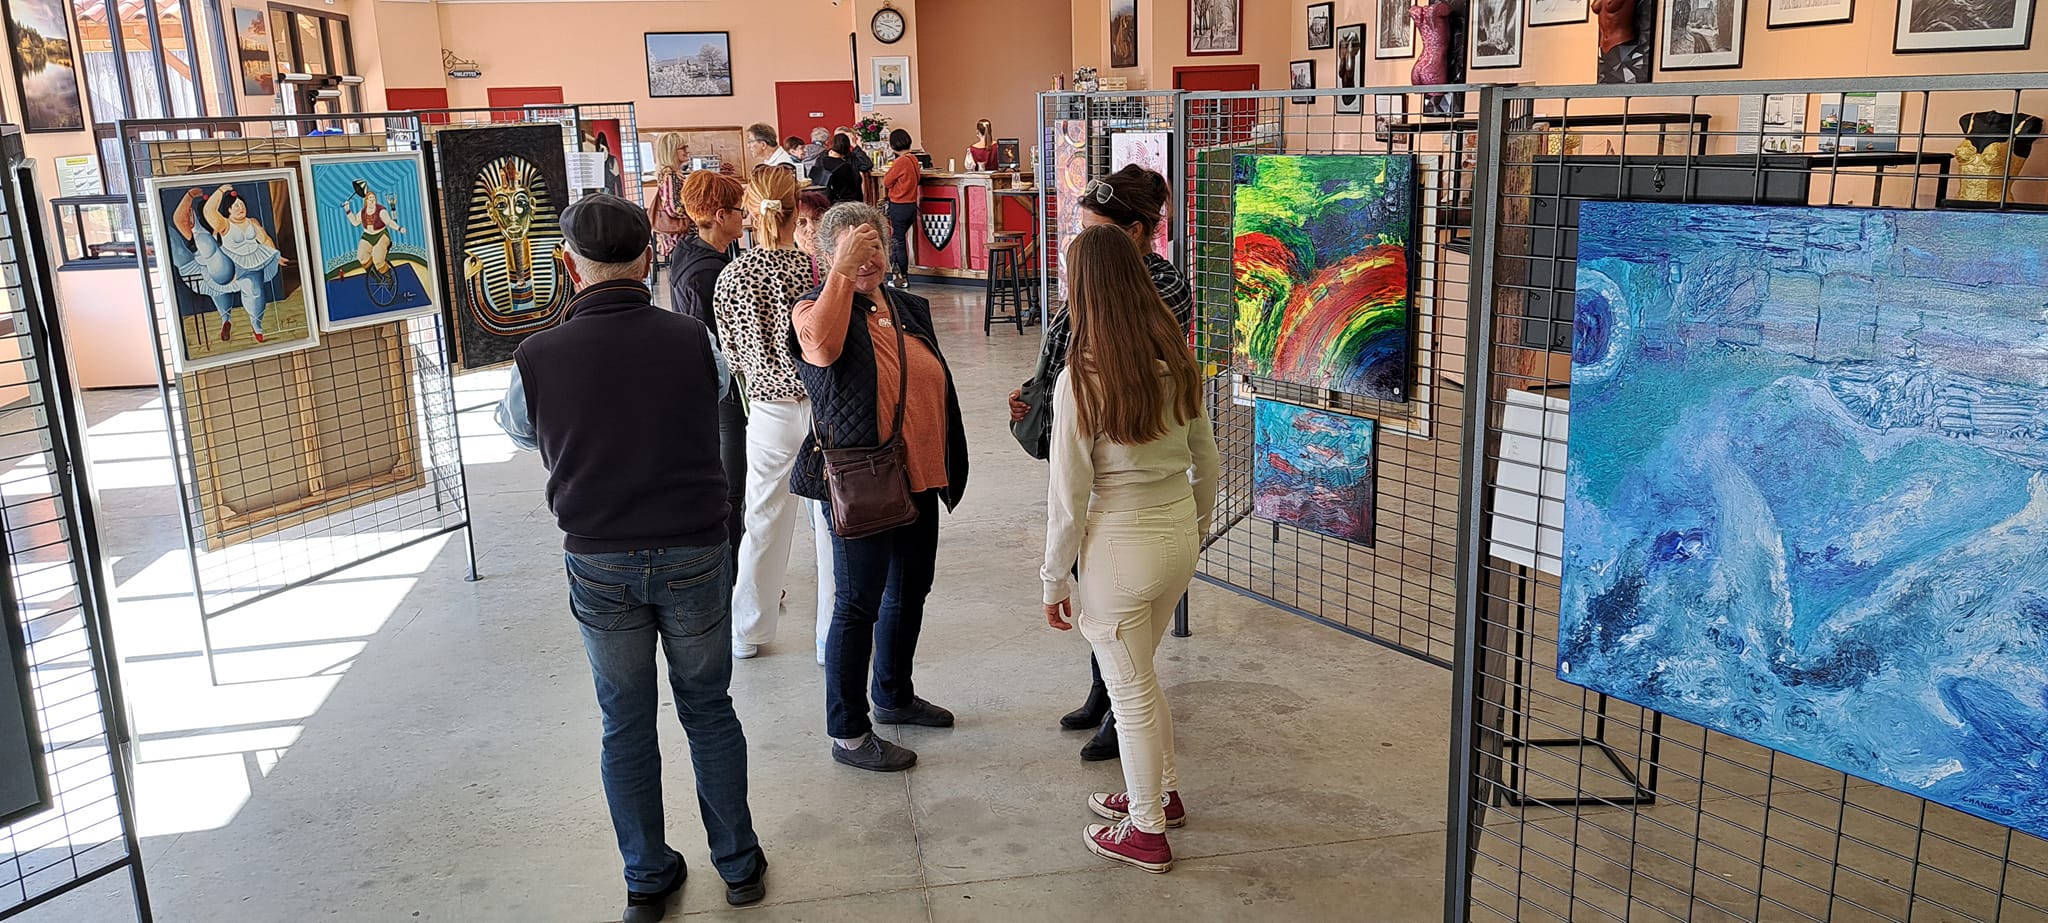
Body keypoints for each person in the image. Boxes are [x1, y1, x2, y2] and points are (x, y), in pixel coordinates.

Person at [493, 193, 769, 920]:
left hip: (600, 555)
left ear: (568, 266)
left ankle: (647, 876)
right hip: (695, 547)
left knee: (624, 720)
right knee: (709, 706)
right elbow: (719, 391)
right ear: (650, 257)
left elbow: (521, 430)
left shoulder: (536, 356)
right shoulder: (692, 338)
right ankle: (739, 863)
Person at [1040, 224, 1217, 874]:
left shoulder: (1080, 381)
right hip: (1176, 536)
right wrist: (1195, 528)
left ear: (1084, 291)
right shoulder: (1177, 363)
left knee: (1131, 691)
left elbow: (1068, 497)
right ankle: (1160, 795)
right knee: (1142, 676)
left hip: (1119, 545)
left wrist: (1053, 578)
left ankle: (1146, 831)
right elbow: (1208, 461)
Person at [1008, 165, 1192, 762]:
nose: (1082, 242)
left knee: (1117, 597)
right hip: (1084, 442)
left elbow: (1121, 372)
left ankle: (1121, 708)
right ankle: (1102, 689)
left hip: (1128, 467)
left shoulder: (1158, 289)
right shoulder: (1098, 279)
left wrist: (1071, 393)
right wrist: (1039, 394)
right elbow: (1066, 354)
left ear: (1134, 231)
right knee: (1096, 581)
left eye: (1094, 231)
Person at [790, 203, 969, 772]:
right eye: (849, 249)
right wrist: (841, 274)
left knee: (910, 590)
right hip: (861, 482)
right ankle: (847, 733)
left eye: (872, 247)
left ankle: (893, 694)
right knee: (856, 604)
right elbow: (821, 350)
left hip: (919, 477)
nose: (865, 259)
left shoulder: (910, 307)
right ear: (825, 255)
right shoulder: (813, 310)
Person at [714, 168, 838, 662]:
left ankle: (747, 629)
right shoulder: (817, 272)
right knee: (832, 523)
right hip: (824, 407)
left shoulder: (732, 276)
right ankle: (831, 638)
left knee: (763, 520)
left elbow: (732, 356)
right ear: (794, 213)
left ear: (751, 212)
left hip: (768, 411)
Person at [674, 172, 749, 573]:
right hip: (722, 392)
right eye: (739, 211)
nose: (744, 217)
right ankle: (732, 572)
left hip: (714, 388)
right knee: (733, 485)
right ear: (721, 215)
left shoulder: (689, 252)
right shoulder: (710, 272)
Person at [880, 128, 921, 288]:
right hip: (911, 205)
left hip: (899, 205)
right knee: (901, 240)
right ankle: (901, 277)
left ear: (893, 145)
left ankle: (901, 277)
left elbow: (886, 181)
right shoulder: (914, 159)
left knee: (898, 243)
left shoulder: (900, 162)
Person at [345, 177, 407, 281]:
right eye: (370, 199)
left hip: (381, 235)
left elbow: (389, 222)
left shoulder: (381, 210)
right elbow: (355, 222)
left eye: (374, 198)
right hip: (367, 236)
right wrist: (348, 211)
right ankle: (376, 278)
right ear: (366, 200)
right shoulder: (363, 212)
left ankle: (388, 278)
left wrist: (399, 228)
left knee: (378, 259)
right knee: (362, 257)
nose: (372, 200)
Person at [648, 133, 691, 269]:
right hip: (679, 237)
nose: (687, 151)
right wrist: (695, 212)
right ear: (671, 151)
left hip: (678, 236)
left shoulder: (672, 174)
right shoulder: (670, 175)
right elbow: (673, 207)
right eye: (682, 148)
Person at [811, 134, 865, 205]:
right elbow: (854, 186)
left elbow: (814, 182)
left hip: (822, 202)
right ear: (847, 148)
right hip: (845, 204)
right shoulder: (845, 167)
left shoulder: (820, 160)